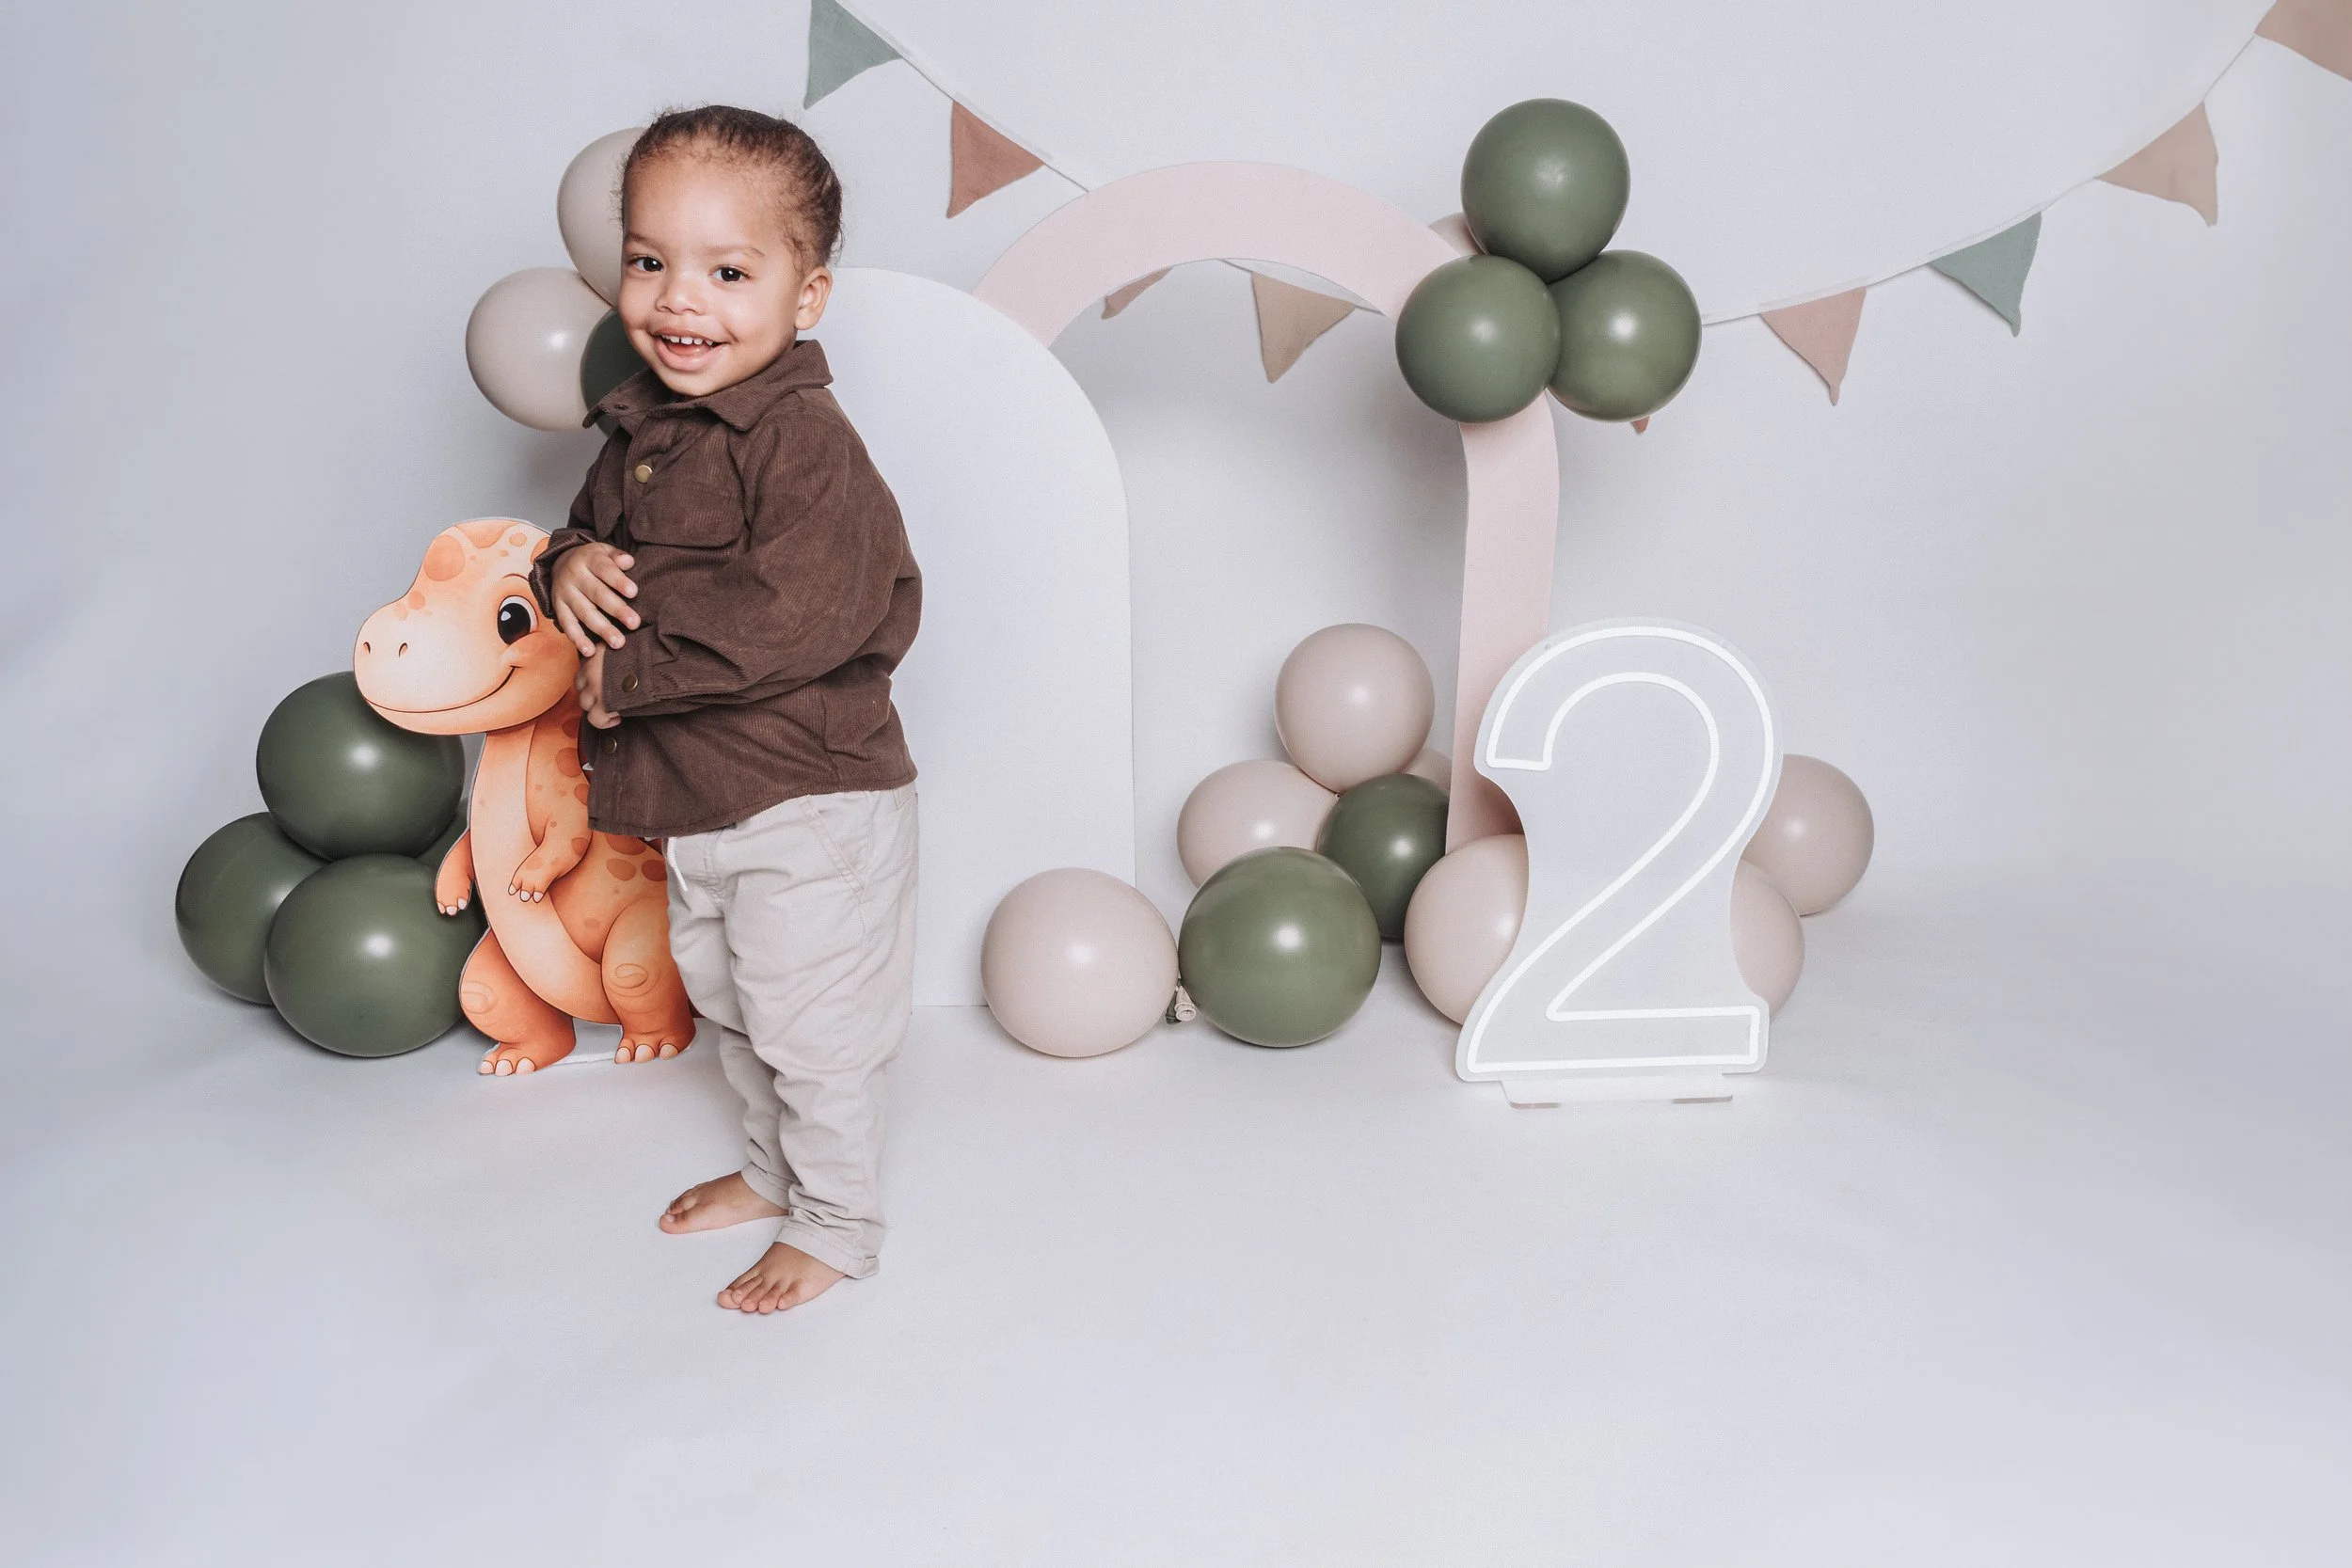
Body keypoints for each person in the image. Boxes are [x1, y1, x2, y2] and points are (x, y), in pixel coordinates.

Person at [533, 105, 920, 1315]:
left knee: (811, 1026)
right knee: (734, 1006)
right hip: (702, 799)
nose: (679, 300)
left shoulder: (802, 442)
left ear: (808, 296)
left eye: (729, 273)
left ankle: (838, 1220)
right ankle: (771, 1170)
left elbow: (798, 612)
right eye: (650, 261)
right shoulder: (645, 426)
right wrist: (565, 565)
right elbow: (589, 532)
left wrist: (628, 675)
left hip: (809, 799)